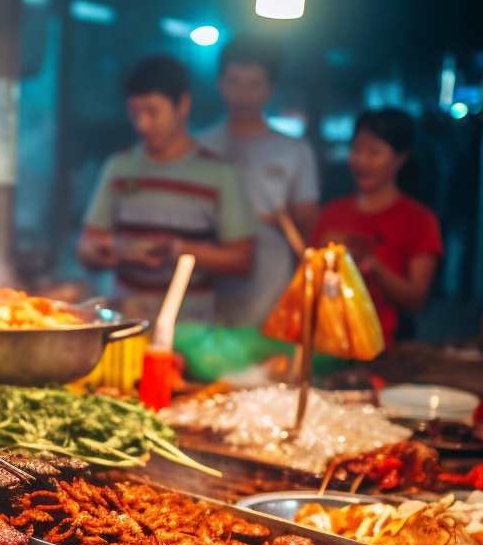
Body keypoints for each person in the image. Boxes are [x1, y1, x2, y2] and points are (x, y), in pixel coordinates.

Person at [77, 54, 258, 324]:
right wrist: (104, 253)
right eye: (135, 113)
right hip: (125, 322)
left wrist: (177, 249)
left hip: (192, 328)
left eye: (152, 111)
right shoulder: (119, 167)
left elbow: (242, 261)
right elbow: (87, 247)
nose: (143, 124)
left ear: (183, 104)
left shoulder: (220, 175)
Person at [199, 35, 320, 326]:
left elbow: (308, 231)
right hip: (207, 293)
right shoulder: (200, 147)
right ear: (220, 84)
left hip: (271, 294)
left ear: (271, 88)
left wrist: (273, 221)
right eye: (234, 82)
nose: (243, 94)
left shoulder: (295, 150)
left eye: (254, 84)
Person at [312, 108, 440, 349]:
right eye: (357, 149)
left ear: (400, 158)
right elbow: (309, 286)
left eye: (374, 152)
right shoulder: (331, 212)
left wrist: (373, 267)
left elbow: (417, 299)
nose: (362, 161)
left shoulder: (420, 219)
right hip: (327, 346)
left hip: (385, 348)